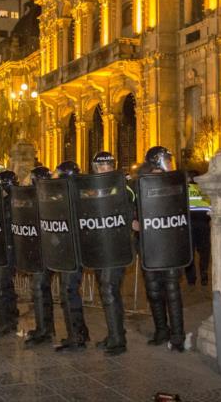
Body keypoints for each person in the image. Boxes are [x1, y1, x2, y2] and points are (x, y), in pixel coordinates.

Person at [138, 147, 186, 351]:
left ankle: (177, 336)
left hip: (171, 242)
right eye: (166, 159)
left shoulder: (176, 181)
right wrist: (134, 221)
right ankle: (161, 330)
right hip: (149, 244)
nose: (170, 163)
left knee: (173, 289)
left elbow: (183, 208)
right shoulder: (139, 182)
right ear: (155, 162)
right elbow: (129, 206)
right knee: (153, 290)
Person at [89, 151, 129, 356]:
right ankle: (115, 334)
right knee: (108, 291)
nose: (104, 170)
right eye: (100, 167)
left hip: (116, 248)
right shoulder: (92, 190)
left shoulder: (123, 186)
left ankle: (118, 341)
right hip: (99, 248)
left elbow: (132, 209)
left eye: (108, 167)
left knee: (109, 289)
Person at [53, 160, 90, 352]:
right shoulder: (79, 191)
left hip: (72, 250)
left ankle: (76, 337)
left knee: (69, 292)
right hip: (72, 249)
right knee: (70, 291)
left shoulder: (70, 194)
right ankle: (80, 332)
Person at [22, 166, 56, 347]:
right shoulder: (47, 195)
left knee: (39, 287)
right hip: (41, 247)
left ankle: (45, 330)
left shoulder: (46, 196)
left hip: (45, 249)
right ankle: (45, 327)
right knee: (41, 289)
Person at [0, 170, 19, 336]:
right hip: (0, 246)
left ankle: (5, 321)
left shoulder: (13, 202)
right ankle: (9, 318)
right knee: (3, 284)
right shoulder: (1, 201)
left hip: (8, 247)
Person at [185, 170, 211, 286]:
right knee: (204, 252)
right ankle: (204, 275)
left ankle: (191, 279)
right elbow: (211, 207)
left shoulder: (184, 190)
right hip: (203, 224)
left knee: (189, 253)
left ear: (189, 178)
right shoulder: (205, 190)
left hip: (188, 226)